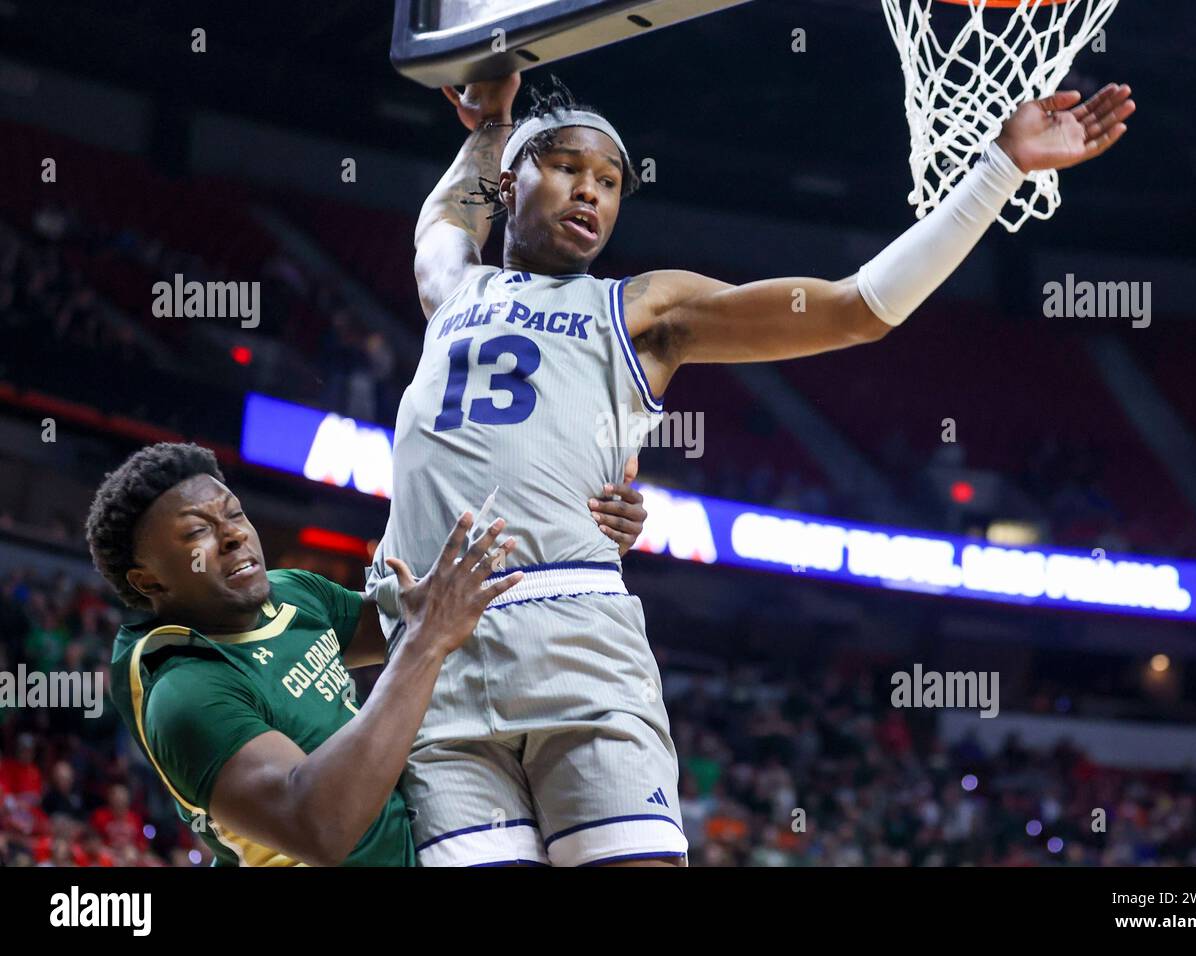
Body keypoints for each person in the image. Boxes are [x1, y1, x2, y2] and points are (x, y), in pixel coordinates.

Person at [365, 73, 1134, 867]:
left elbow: (855, 307)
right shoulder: (456, 289)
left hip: (572, 640)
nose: (590, 192)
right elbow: (442, 217)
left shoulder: (645, 308)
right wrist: (492, 124)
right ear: (511, 182)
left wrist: (1000, 168)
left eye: (607, 182)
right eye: (565, 168)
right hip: (433, 658)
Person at [85, 442, 646, 866]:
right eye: (195, 533)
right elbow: (320, 826)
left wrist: (587, 529)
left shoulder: (293, 595)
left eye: (232, 514)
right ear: (148, 581)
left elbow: (438, 609)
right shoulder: (184, 690)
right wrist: (427, 638)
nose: (231, 536)